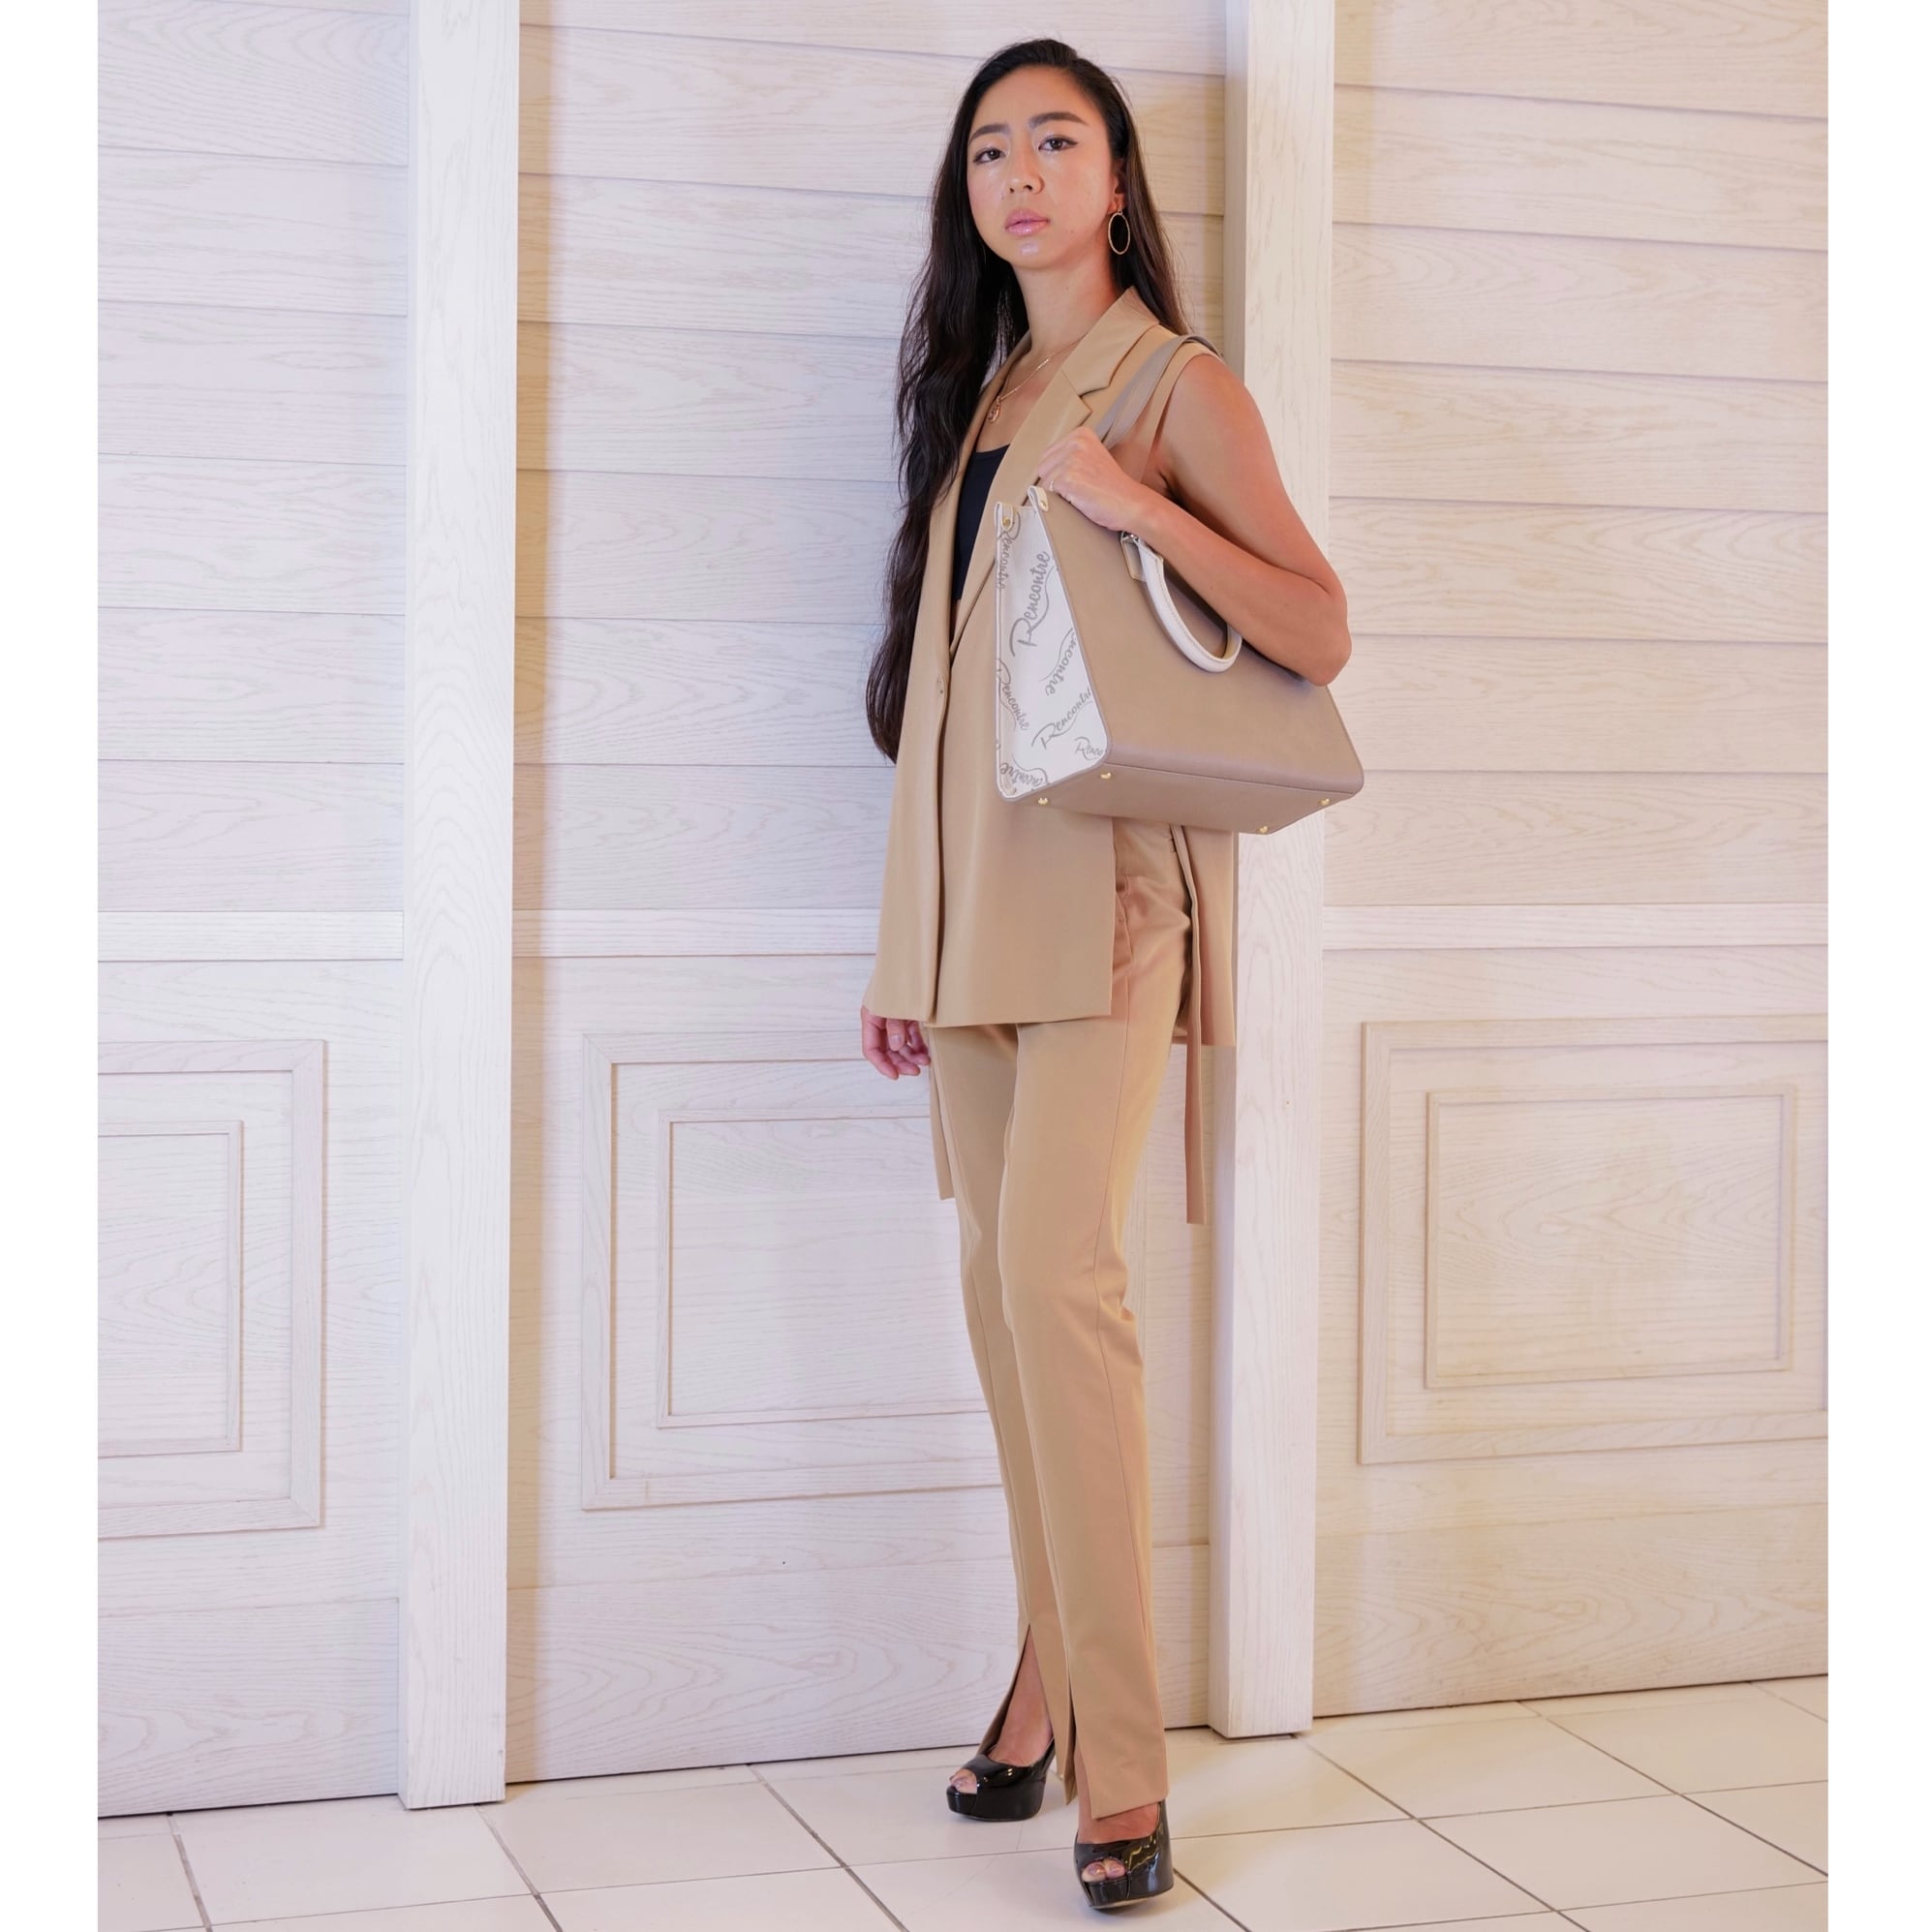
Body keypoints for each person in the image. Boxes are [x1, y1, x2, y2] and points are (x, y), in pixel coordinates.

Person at [858, 37, 1351, 1912]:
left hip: (1111, 900)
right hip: (973, 911)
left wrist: (1142, 507)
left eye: (1055, 139)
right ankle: (1045, 1677)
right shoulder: (986, 394)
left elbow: (1315, 624)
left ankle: (1123, 1768)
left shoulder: (1170, 382)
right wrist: (902, 944)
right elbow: (940, 706)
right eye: (991, 147)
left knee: (1057, 1286)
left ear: (1118, 179)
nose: (1021, 173)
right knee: (1002, 1303)